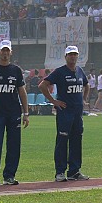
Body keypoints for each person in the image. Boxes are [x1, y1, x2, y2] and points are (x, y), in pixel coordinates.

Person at [0, 40, 30, 187]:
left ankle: (9, 175)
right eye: (3, 50)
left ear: (11, 52)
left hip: (14, 114)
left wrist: (26, 113)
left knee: (14, 145)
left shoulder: (16, 70)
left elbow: (22, 92)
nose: (5, 53)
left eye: (7, 50)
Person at [39, 45, 89, 182]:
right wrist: (54, 101)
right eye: (70, 54)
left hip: (77, 113)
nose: (73, 57)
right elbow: (42, 85)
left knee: (76, 141)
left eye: (75, 54)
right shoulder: (60, 72)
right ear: (65, 57)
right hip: (65, 112)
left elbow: (87, 85)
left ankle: (74, 171)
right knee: (62, 141)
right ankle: (60, 172)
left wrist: (84, 99)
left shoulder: (79, 71)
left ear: (78, 56)